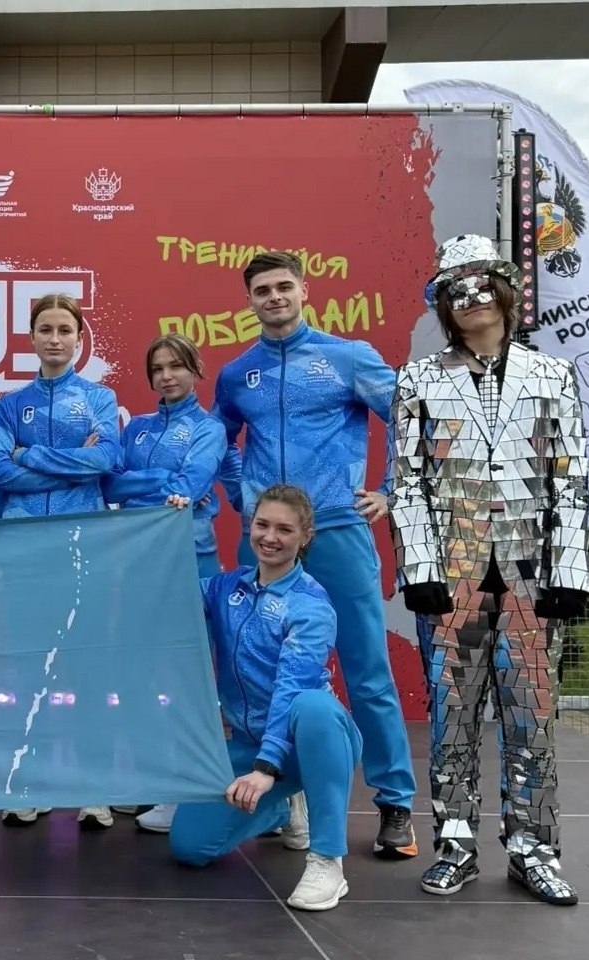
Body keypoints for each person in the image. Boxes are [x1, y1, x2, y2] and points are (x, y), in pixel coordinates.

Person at [391, 234, 589, 905]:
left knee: (531, 718)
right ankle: (454, 844)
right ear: (443, 305)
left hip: (532, 575)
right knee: (452, 717)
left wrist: (569, 570)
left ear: (504, 293)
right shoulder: (418, 378)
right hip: (451, 575)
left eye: (481, 284)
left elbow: (570, 478)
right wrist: (420, 567)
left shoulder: (552, 375)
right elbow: (407, 480)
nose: (471, 298)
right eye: (456, 289)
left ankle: (533, 847)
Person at [212, 251, 417, 859]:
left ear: (305, 290)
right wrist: (241, 496)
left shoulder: (347, 357)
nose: (274, 297)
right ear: (249, 301)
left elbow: (410, 416)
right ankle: (280, 794)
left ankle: (395, 803)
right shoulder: (237, 374)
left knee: (366, 669)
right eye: (262, 290)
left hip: (337, 529)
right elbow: (216, 440)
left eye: (284, 286)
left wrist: (391, 489)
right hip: (268, 539)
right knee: (261, 670)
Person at [170, 484, 363, 912]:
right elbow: (172, 591)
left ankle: (327, 860)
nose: (270, 537)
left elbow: (292, 687)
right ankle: (282, 805)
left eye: (284, 529)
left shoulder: (310, 605)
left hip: (307, 743)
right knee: (189, 847)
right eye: (262, 525)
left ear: (305, 536)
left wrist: (266, 768)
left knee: (312, 706)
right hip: (250, 746)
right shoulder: (227, 589)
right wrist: (173, 525)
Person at [0, 292, 122, 829]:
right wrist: (71, 462)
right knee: (29, 669)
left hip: (82, 547)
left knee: (86, 666)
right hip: (25, 552)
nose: (56, 338)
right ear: (32, 337)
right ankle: (31, 783)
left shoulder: (99, 399)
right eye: (46, 329)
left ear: (79, 337)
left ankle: (93, 787)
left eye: (66, 329)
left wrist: (31, 456)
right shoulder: (9, 405)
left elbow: (104, 459)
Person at [101, 332, 242, 834]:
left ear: (195, 369)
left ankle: (188, 788)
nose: (166, 376)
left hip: (190, 562)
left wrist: (163, 488)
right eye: (157, 368)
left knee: (189, 675)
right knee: (143, 673)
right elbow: (110, 483)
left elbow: (191, 484)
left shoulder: (209, 429)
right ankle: (152, 778)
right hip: (138, 563)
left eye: (176, 366)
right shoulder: (136, 429)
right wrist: (160, 486)